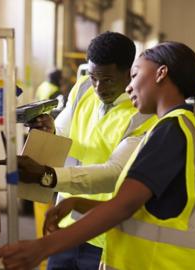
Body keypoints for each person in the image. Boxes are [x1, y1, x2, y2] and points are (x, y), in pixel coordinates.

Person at [0, 41, 195, 270]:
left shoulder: (171, 131)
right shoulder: (182, 126)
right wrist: (78, 203)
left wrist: (42, 247)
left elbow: (122, 206)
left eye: (134, 76)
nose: (128, 87)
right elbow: (141, 210)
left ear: (161, 74)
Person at [16, 31, 157, 269]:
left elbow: (114, 174)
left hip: (106, 233)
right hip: (66, 223)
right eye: (94, 77)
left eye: (108, 80)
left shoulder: (142, 112)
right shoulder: (83, 89)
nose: (99, 87)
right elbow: (64, 135)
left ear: (128, 73)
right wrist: (50, 131)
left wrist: (47, 176)